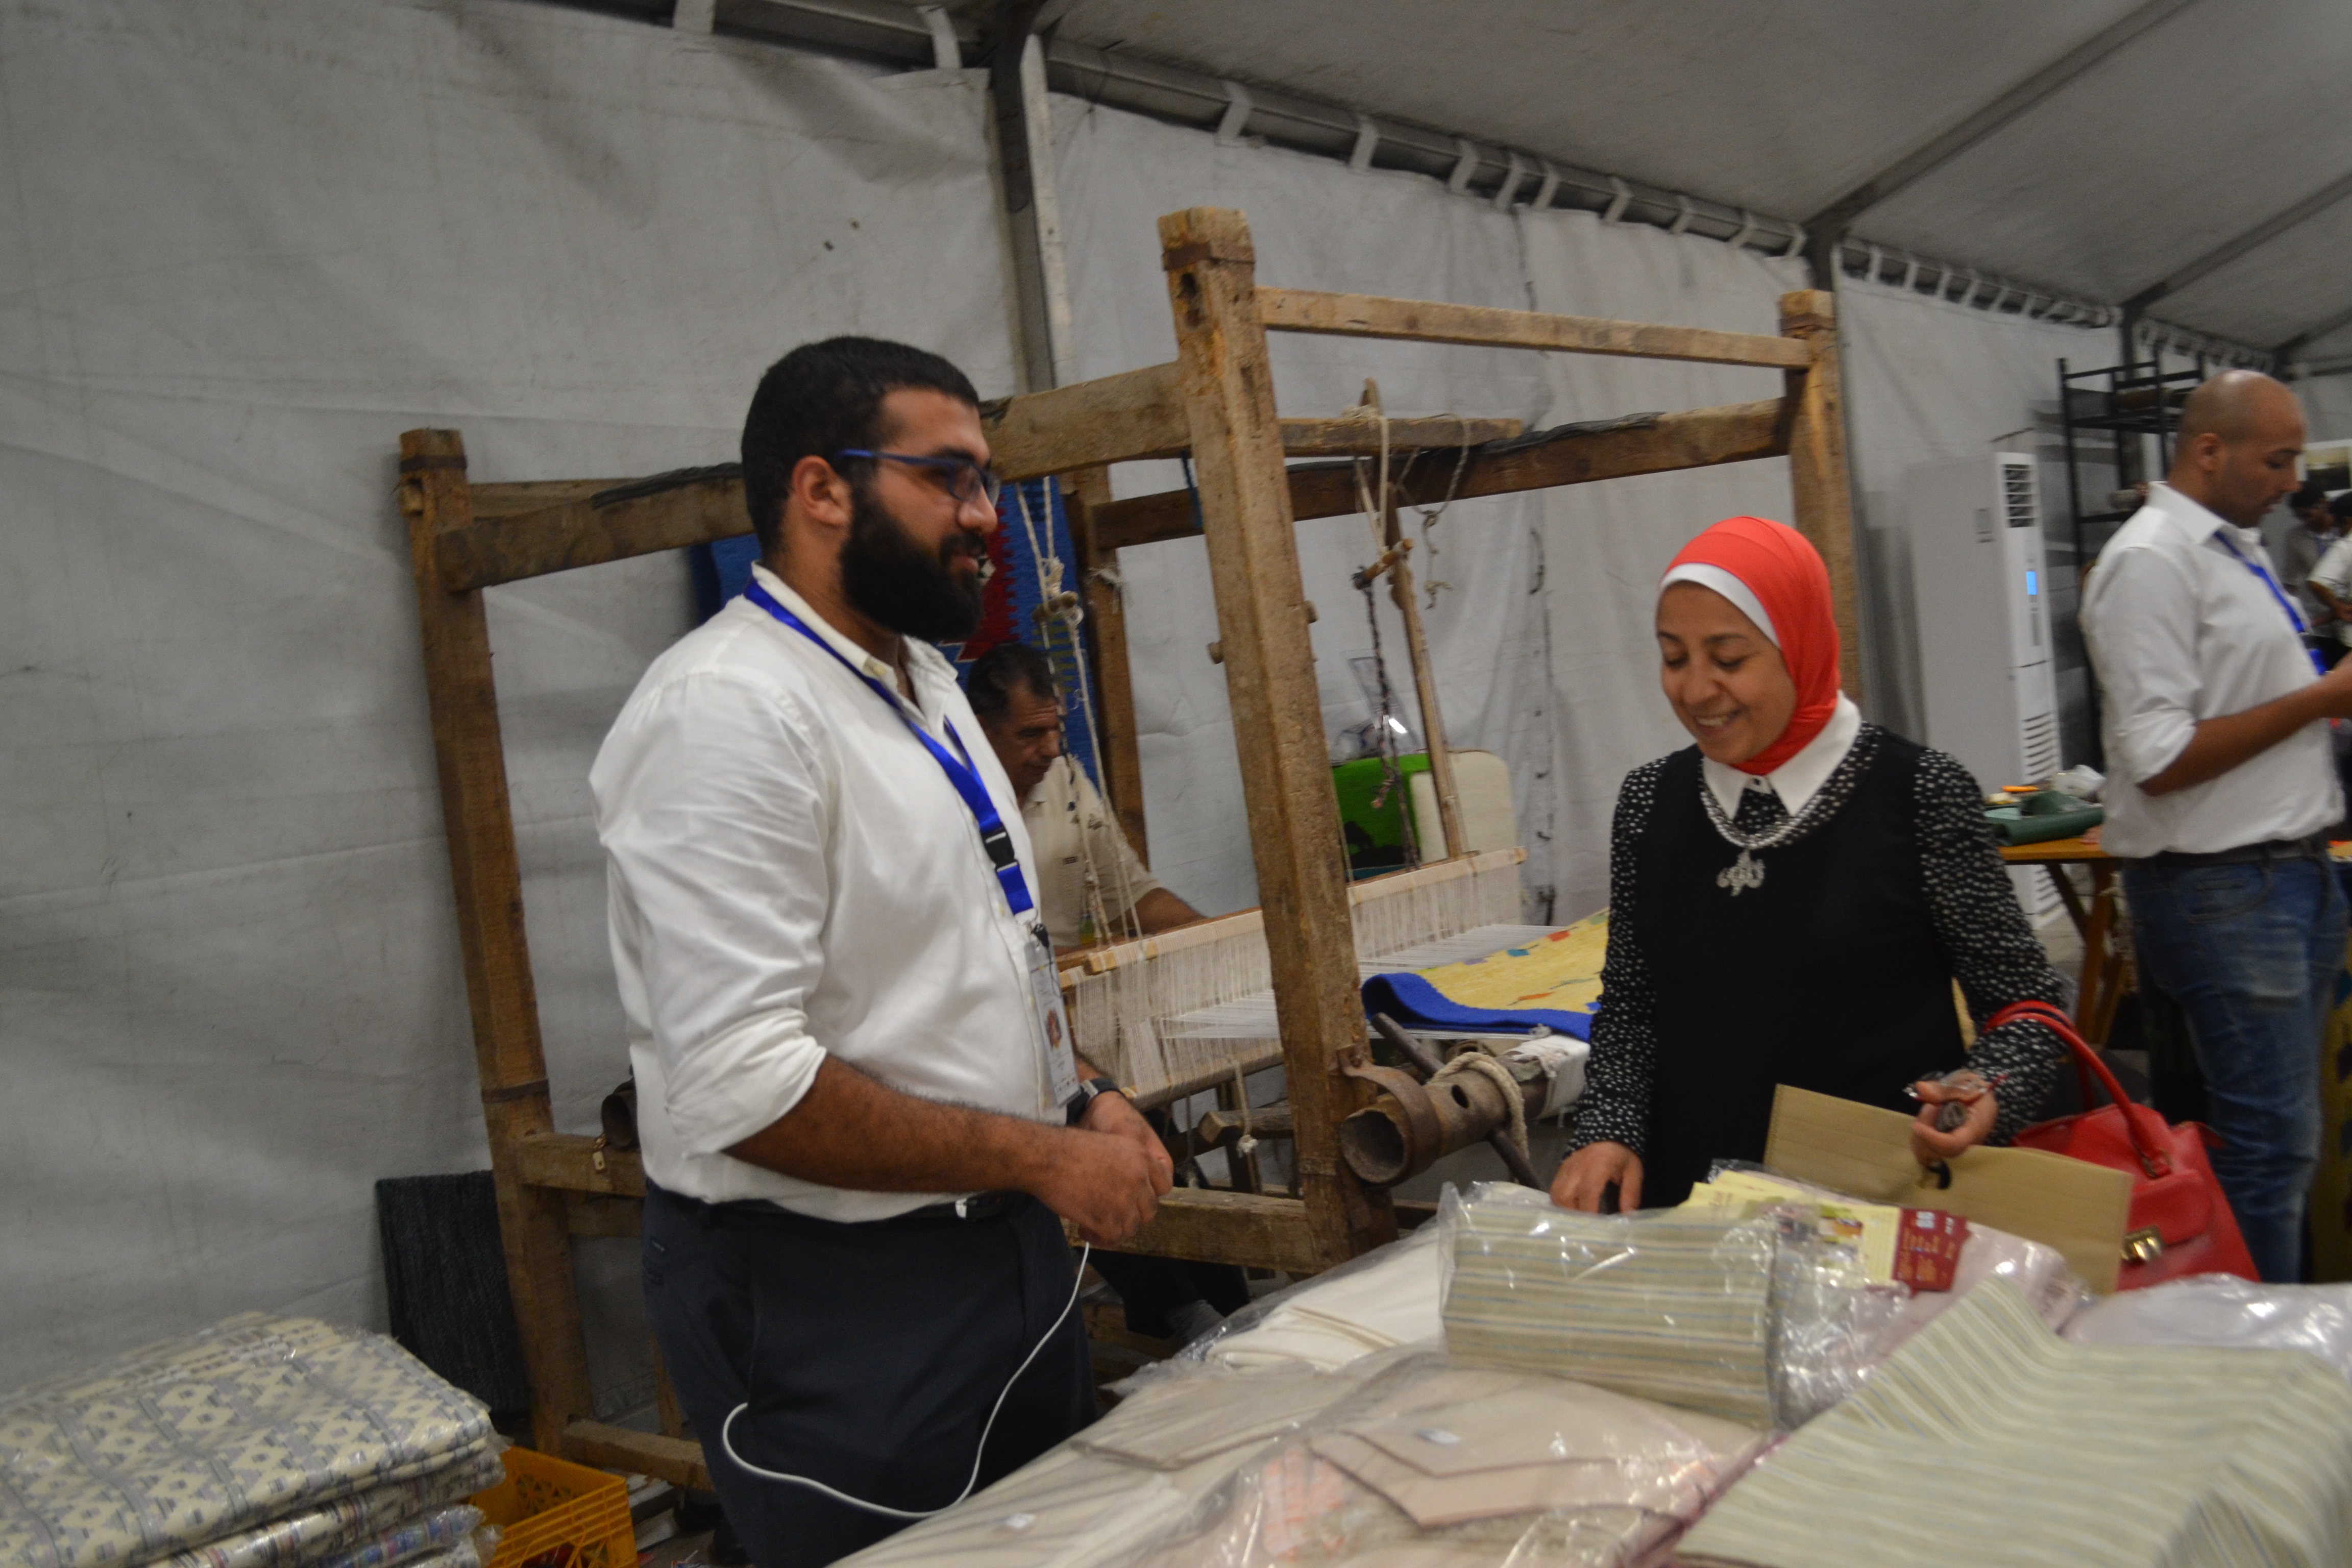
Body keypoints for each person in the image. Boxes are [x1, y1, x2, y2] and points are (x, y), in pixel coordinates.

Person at [592, 337, 1173, 1568]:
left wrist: (1084, 1096)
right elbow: (742, 1084)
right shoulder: (728, 711)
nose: (987, 516)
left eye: (987, 480)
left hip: (998, 1252)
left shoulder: (926, 684)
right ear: (822, 489)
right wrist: (1048, 1156)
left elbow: (970, 957)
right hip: (836, 1301)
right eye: (948, 477)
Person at [1550, 516, 2068, 1213]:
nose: (1696, 690)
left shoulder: (1919, 794)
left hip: (1871, 1212)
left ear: (1800, 647)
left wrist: (1987, 1093)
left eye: (1729, 660)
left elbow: (2028, 1007)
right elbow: (1634, 1003)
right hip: (1694, 1208)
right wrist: (1610, 1126)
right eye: (1674, 658)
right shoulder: (1651, 800)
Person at [2080, 370, 2352, 1283]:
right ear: (2208, 450)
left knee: (2275, 1143)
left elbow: (2241, 704)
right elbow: (2158, 757)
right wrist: (2321, 698)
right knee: (2268, 1150)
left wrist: (2319, 714)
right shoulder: (2151, 562)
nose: (2291, 482)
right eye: (2276, 460)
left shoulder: (2228, 550)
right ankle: (2249, 1346)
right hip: (2225, 890)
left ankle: (2258, 1324)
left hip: (2282, 878)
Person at [966, 641, 1202, 950]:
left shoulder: (1066, 781)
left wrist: (1209, 932)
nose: (1052, 750)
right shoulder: (949, 804)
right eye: (1031, 734)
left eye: (1057, 729)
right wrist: (1082, 957)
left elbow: (1129, 895)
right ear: (981, 730)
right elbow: (966, 948)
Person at [2274, 482, 2340, 665]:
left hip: (2346, 618)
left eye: (2307, 515)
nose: (2305, 521)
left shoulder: (2344, 530)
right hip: (2319, 622)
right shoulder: (2295, 537)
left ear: (2323, 504)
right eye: (2299, 517)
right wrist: (2291, 618)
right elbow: (2291, 583)